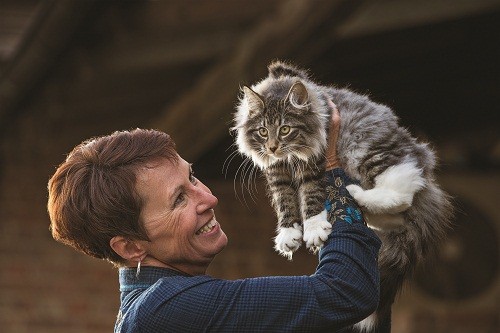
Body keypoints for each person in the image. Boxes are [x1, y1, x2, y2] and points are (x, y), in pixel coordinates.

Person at [47, 102, 381, 332]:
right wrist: (331, 171)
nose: (209, 198)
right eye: (179, 199)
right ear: (130, 247)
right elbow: (344, 291)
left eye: (191, 178)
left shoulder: (159, 308)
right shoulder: (164, 311)